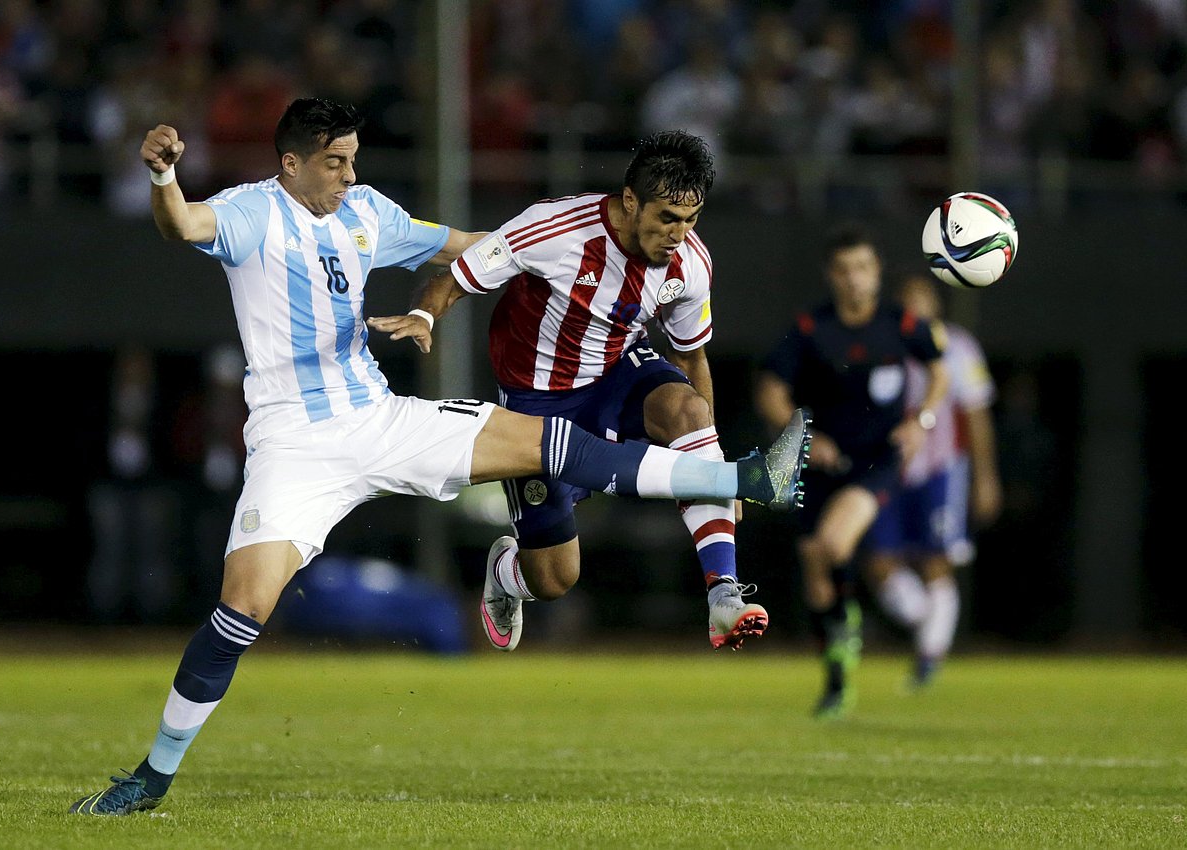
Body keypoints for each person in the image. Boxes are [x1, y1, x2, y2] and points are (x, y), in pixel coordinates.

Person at [70, 98, 809, 816]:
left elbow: (461, 244)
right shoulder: (249, 211)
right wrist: (166, 178)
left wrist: (529, 253)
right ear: (290, 163)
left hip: (379, 415)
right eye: (334, 163)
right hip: (293, 441)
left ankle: (736, 478)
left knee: (533, 442)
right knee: (242, 608)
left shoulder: (367, 213)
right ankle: (151, 778)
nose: (349, 177)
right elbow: (182, 223)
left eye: (354, 160)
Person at [370, 130, 779, 653]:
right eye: (667, 219)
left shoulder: (691, 266)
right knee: (556, 578)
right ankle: (507, 573)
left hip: (615, 374)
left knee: (687, 408)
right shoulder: (555, 228)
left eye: (690, 219)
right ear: (630, 201)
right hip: (534, 402)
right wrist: (424, 315)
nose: (679, 234)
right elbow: (460, 273)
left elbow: (691, 356)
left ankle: (723, 594)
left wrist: (714, 464)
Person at [754, 226, 948, 719]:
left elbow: (940, 371)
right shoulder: (810, 329)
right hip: (822, 464)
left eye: (863, 268)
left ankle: (847, 626)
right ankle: (837, 675)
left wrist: (920, 420)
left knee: (833, 545)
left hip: (877, 461)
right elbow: (771, 394)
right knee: (814, 565)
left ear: (877, 272)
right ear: (830, 276)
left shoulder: (900, 324)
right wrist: (805, 435)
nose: (854, 279)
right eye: (844, 270)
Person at [862, 272, 1001, 688]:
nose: (914, 307)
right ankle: (931, 622)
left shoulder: (958, 347)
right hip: (888, 469)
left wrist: (986, 477)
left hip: (942, 468)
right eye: (906, 299)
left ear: (936, 305)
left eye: (921, 298)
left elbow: (976, 415)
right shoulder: (880, 345)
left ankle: (929, 655)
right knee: (879, 562)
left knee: (936, 560)